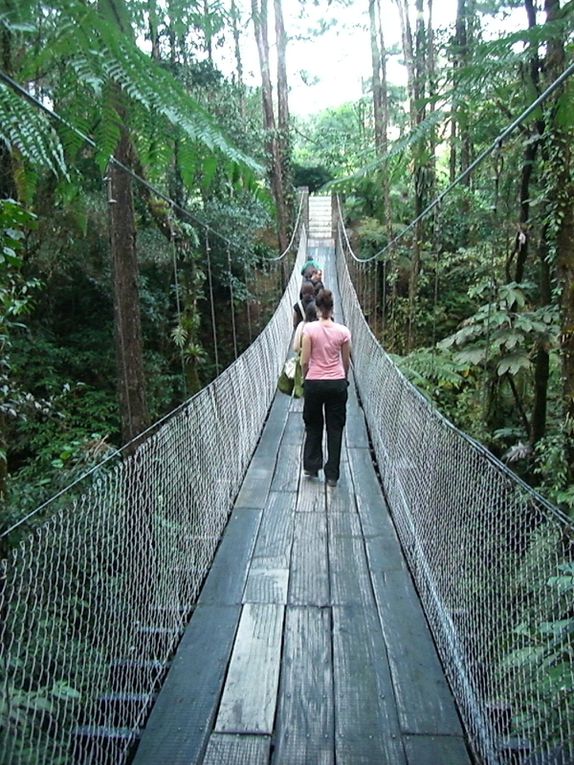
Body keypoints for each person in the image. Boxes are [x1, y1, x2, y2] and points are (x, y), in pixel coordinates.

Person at [300, 289, 351, 488]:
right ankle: (332, 476)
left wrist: (306, 379)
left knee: (313, 424)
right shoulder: (343, 331)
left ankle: (312, 466)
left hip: (314, 382)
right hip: (337, 383)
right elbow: (346, 360)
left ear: (318, 308)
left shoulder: (309, 330)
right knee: (335, 428)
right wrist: (343, 378)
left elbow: (304, 361)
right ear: (332, 307)